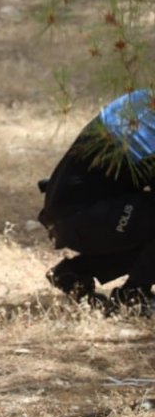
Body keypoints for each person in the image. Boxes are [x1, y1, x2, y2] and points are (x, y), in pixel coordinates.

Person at [41, 89, 155, 315]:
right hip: (81, 216)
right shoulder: (146, 120)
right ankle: (135, 296)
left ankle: (74, 273)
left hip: (80, 215)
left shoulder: (142, 100)